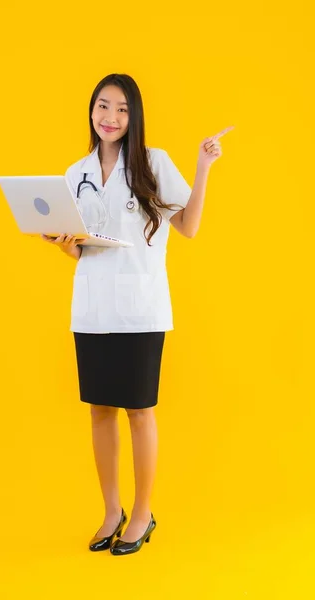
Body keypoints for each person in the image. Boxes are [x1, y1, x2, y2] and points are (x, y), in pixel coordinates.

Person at [41, 73, 233, 556]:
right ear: (91, 111)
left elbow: (188, 226)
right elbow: (79, 250)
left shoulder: (153, 163)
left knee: (140, 412)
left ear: (135, 116)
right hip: (91, 306)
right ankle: (111, 511)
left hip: (140, 309)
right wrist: (63, 244)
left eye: (122, 109)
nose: (110, 117)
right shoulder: (75, 173)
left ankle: (143, 513)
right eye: (102, 106)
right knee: (100, 412)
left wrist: (203, 166)